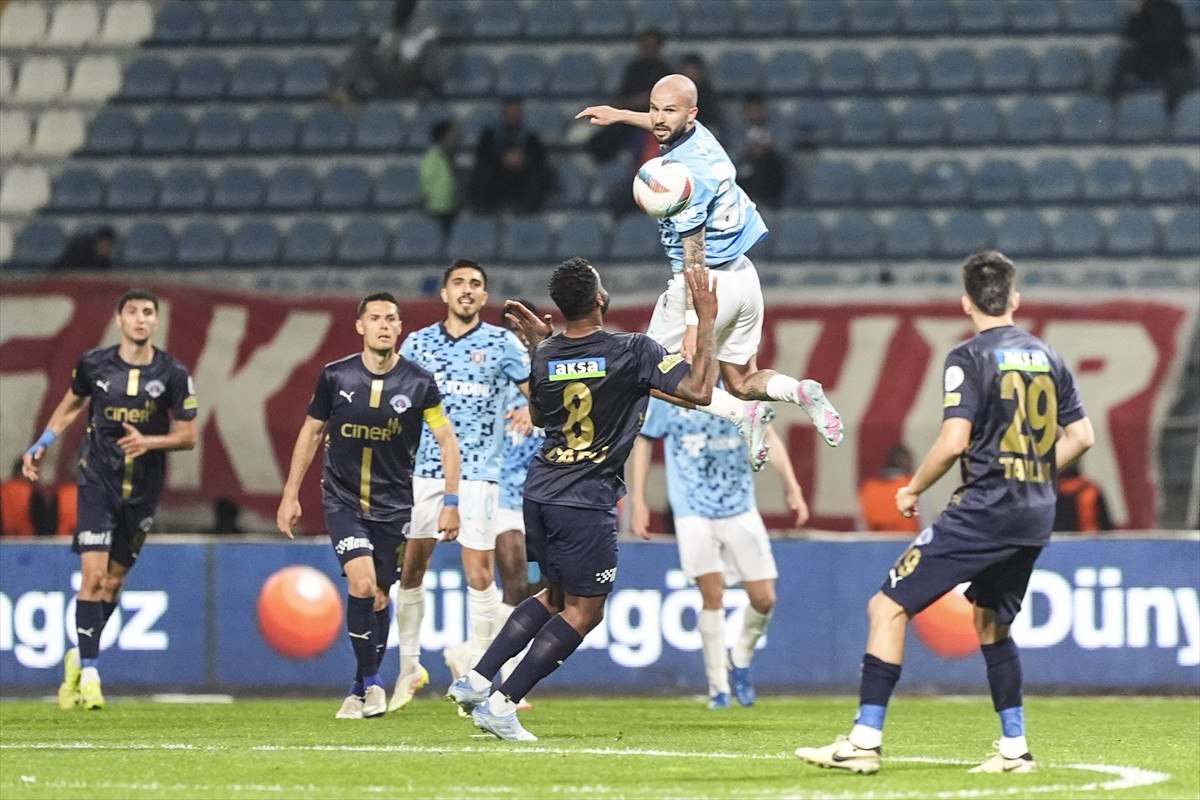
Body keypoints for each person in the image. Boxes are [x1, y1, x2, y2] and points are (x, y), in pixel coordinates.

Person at [794, 251, 1095, 775]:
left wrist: (914, 487)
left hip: (986, 508)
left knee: (886, 608)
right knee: (992, 623)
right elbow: (1082, 436)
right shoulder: (1048, 356)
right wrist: (1032, 468)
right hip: (1033, 513)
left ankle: (864, 742)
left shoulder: (968, 357)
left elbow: (955, 441)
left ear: (966, 303)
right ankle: (1014, 750)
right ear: (1014, 298)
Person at [444, 256, 720, 742]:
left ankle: (478, 679)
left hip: (541, 490)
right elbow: (699, 390)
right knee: (584, 611)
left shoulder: (546, 354)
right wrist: (707, 318)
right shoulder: (632, 350)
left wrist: (540, 348)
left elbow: (539, 415)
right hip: (585, 498)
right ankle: (502, 705)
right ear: (599, 299)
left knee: (553, 595)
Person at [576, 75, 844, 470]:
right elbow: (664, 124)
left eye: (669, 110)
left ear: (692, 113)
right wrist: (619, 115)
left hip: (707, 283)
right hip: (744, 276)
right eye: (654, 108)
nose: (658, 118)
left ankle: (740, 415)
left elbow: (694, 256)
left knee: (643, 374)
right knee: (741, 381)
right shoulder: (699, 136)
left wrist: (692, 324)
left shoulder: (686, 179)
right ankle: (800, 391)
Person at [276, 292, 461, 720]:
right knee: (360, 585)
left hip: (394, 506)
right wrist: (290, 494)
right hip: (343, 499)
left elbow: (447, 442)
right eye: (375, 318)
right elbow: (311, 432)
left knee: (379, 595)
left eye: (391, 319)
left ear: (400, 328)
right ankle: (375, 684)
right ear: (360, 326)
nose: (383, 325)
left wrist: (451, 502)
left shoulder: (420, 383)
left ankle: (358, 688)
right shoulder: (335, 376)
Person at [22, 288, 198, 711]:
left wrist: (150, 441)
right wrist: (44, 442)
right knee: (94, 578)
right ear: (119, 320)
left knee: (114, 583)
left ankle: (78, 657)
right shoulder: (94, 364)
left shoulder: (173, 373)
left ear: (156, 321)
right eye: (132, 312)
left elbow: (189, 436)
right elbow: (71, 405)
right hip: (96, 481)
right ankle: (91, 673)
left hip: (142, 490)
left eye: (148, 312)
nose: (140, 319)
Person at [390, 260, 532, 712]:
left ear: (484, 297)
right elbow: (398, 404)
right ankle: (409, 668)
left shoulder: (503, 343)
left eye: (475, 284)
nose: (467, 290)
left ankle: (478, 677)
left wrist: (533, 411)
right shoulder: (418, 344)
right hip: (425, 471)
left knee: (480, 575)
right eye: (458, 283)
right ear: (445, 294)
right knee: (411, 570)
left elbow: (539, 394)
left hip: (479, 476)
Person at [629, 397, 808, 708]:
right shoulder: (670, 392)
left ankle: (740, 658)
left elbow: (767, 434)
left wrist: (792, 486)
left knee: (764, 598)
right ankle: (718, 686)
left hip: (740, 506)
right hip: (692, 509)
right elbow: (645, 439)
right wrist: (639, 501)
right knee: (712, 594)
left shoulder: (740, 389)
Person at [444, 300, 545, 704]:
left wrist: (538, 411)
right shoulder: (496, 376)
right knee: (515, 582)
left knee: (536, 589)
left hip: (535, 500)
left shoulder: (547, 379)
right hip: (497, 493)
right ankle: (493, 674)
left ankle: (469, 655)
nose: (516, 339)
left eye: (523, 331)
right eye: (510, 331)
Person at [327, 0, 440, 107]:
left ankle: (426, 88)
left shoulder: (425, 23)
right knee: (362, 47)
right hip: (388, 70)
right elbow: (386, 49)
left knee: (430, 47)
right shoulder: (393, 21)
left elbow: (424, 50)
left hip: (411, 75)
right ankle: (346, 87)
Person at [1104, 0, 1194, 116]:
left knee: (1179, 78)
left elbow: (1164, 38)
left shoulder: (1172, 11)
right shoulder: (1141, 12)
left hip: (1172, 62)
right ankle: (1111, 96)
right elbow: (1129, 35)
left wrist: (1139, 43)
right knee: (1127, 56)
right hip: (1152, 62)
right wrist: (1135, 16)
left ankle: (1170, 115)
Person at [467, 98, 554, 214]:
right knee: (482, 172)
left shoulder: (531, 137)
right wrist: (502, 159)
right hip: (497, 177)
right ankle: (484, 210)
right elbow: (483, 154)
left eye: (515, 112)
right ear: (503, 114)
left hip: (521, 177)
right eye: (509, 112)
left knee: (539, 173)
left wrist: (523, 159)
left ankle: (528, 212)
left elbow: (538, 157)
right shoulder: (489, 135)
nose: (512, 115)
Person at [735, 94, 789, 209]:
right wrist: (751, 150)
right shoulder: (738, 131)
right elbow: (735, 153)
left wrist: (768, 148)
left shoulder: (778, 129)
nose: (755, 114)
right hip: (747, 171)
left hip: (774, 170)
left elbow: (785, 149)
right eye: (751, 110)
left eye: (758, 110)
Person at [858, 444, 920, 534]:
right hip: (908, 540)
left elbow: (861, 526)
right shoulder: (914, 487)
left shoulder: (869, 488)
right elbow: (926, 523)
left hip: (875, 541)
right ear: (906, 463)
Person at [420, 119, 459, 235]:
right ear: (444, 135)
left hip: (450, 205)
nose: (456, 134)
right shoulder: (432, 157)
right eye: (452, 132)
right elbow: (426, 180)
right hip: (437, 207)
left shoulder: (449, 155)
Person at [1054, 463, 1113, 533]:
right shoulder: (1091, 490)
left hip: (1066, 537)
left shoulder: (1053, 493)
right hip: (1093, 536)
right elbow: (1105, 524)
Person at [1, 458, 48, 536]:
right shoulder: (35, 495)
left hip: (4, 540)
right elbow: (42, 525)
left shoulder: (3, 489)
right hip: (29, 540)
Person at [49, 226, 114, 272]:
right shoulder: (80, 250)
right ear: (96, 243)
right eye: (103, 244)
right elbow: (66, 269)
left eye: (108, 245)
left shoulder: (105, 260)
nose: (105, 248)